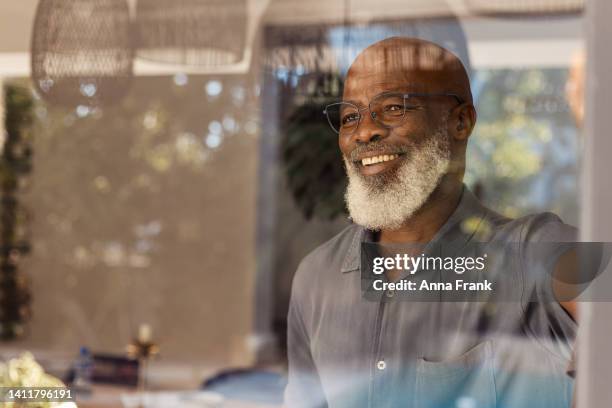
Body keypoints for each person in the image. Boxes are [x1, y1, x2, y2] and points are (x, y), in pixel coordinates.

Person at [284, 37, 579, 408]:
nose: (364, 131)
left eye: (392, 107)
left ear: (460, 122)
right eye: (349, 117)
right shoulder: (316, 277)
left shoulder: (531, 251)